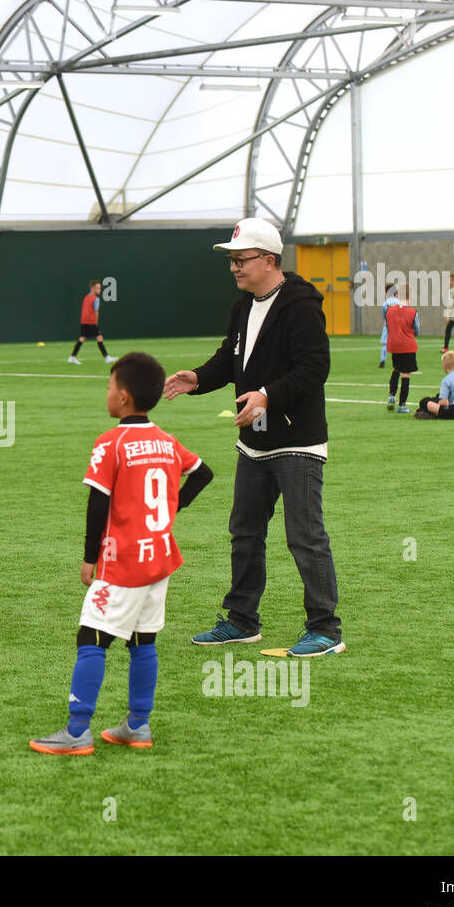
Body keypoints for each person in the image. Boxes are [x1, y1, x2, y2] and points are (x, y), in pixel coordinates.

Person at [164, 217, 344, 658]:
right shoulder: (243, 306)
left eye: (240, 260)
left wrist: (266, 395)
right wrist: (199, 378)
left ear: (268, 260)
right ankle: (242, 620)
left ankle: (325, 628)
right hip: (253, 444)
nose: (234, 268)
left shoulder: (301, 305)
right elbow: (231, 356)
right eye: (231, 261)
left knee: (305, 536)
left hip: (296, 443)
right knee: (244, 533)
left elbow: (314, 368)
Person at [30, 353, 212, 755]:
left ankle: (77, 731)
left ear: (124, 397)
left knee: (91, 637)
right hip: (160, 556)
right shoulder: (165, 441)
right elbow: (203, 472)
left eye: (110, 388)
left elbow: (98, 502)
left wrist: (89, 556)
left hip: (124, 560)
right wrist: (170, 508)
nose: (107, 394)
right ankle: (137, 724)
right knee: (143, 640)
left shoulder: (111, 442)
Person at [385, 282, 419, 413]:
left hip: (394, 345)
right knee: (406, 375)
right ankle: (402, 405)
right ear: (410, 297)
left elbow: (388, 326)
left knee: (395, 369)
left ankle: (391, 395)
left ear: (397, 295)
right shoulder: (412, 312)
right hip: (407, 346)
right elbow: (417, 330)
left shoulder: (389, 310)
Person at [68, 279, 117, 365]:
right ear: (92, 289)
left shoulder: (86, 297)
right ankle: (106, 357)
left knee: (82, 338)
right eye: (97, 288)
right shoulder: (96, 299)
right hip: (91, 322)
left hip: (84, 322)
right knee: (99, 337)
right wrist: (96, 322)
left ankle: (72, 357)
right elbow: (96, 311)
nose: (99, 290)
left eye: (100, 288)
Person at [414, 350, 454, 419]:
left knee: (424, 402)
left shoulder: (447, 379)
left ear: (444, 366)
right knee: (437, 399)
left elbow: (443, 403)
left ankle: (430, 413)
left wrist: (436, 405)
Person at [378, 282, 394, 369]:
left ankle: (382, 360)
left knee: (385, 344)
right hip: (398, 325)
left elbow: (384, 314)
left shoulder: (386, 303)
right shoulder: (399, 302)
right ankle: (397, 361)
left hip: (388, 324)